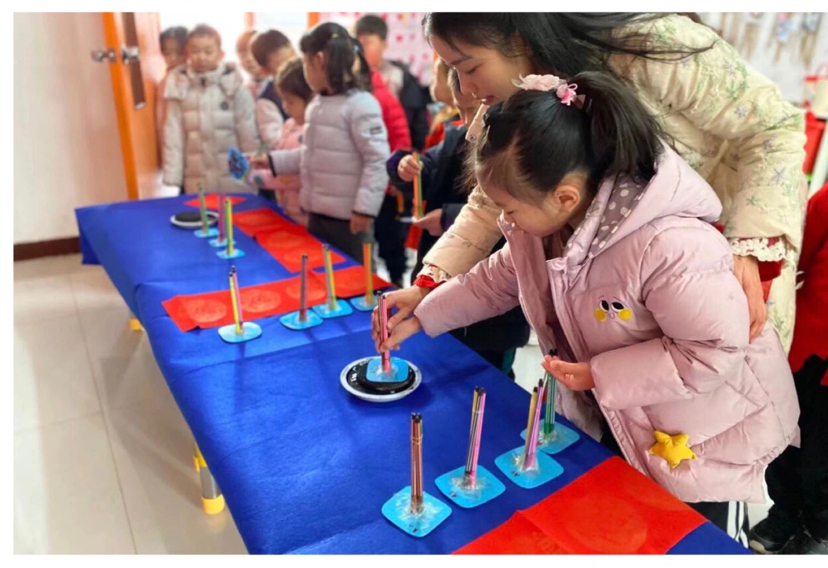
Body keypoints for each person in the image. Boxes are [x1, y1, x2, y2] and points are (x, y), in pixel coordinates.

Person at [375, 71, 799, 534]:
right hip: (626, 418)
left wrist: (600, 374)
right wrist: (424, 313)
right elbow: (493, 282)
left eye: (510, 208)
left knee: (692, 539)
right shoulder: (544, 228)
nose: (505, 221)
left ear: (564, 197)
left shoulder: (670, 245)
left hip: (707, 442)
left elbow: (713, 351)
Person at [384, 13, 807, 357]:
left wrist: (747, 251)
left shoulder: (649, 46)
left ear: (518, 38)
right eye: (454, 71)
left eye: (469, 67)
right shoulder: (519, 93)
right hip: (617, 307)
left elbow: (775, 128)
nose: (466, 89)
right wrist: (429, 285)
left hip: (716, 275)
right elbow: (489, 202)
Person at [386, 69, 529, 376]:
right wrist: (402, 167)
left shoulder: (515, 152)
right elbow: (432, 172)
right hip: (451, 286)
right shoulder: (456, 136)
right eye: (459, 110)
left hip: (496, 322)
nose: (469, 125)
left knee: (492, 377)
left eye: (475, 109)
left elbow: (491, 217)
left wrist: (448, 217)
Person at [254, 23, 389, 263]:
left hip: (349, 220)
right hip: (316, 214)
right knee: (322, 274)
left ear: (318, 60)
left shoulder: (361, 104)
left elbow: (377, 161)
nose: (305, 71)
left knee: (354, 279)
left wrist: (364, 210)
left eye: (305, 63)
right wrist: (273, 161)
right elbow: (310, 153)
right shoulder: (317, 104)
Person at [750, 183, 828, 555]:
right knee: (784, 438)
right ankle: (784, 513)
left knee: (822, 459)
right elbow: (795, 252)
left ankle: (819, 530)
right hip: (805, 347)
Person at [162, 24, 259, 194]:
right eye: (195, 51)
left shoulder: (235, 87)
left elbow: (248, 132)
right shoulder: (179, 88)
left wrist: (254, 170)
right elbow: (173, 135)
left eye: (208, 52)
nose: (201, 57)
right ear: (188, 53)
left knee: (236, 209)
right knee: (201, 209)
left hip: (233, 176)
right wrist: (173, 174)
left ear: (220, 54)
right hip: (196, 175)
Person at [246, 58, 312, 224]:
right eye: (283, 100)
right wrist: (261, 162)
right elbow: (279, 156)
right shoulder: (289, 124)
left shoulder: (311, 133)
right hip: (287, 209)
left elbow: (290, 178)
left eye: (290, 101)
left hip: (305, 216)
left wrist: (254, 176)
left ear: (311, 99)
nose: (285, 106)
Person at [355, 14, 431, 150]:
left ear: (384, 44)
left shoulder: (400, 77)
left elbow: (417, 124)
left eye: (367, 43)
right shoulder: (351, 79)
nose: (361, 49)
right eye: (357, 44)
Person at [156, 26, 188, 157]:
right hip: (172, 148)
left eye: (179, 53)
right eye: (167, 53)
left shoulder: (192, 78)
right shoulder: (164, 82)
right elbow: (161, 122)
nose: (173, 58)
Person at [423, 58, 459, 150]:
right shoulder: (443, 113)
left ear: (451, 82)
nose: (431, 82)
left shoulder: (455, 125)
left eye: (436, 77)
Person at [236, 29, 268, 96]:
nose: (249, 59)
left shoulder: (282, 85)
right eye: (243, 55)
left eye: (253, 51)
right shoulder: (241, 91)